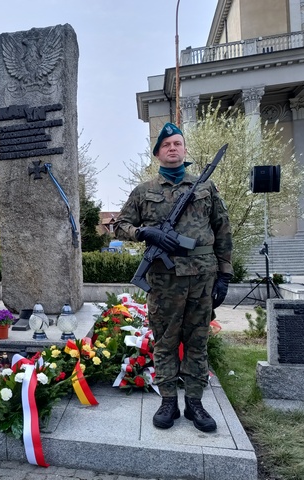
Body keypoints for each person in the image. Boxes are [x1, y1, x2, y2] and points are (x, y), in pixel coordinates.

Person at [112, 122, 233, 433]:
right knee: (165, 341)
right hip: (164, 281)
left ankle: (195, 402)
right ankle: (168, 401)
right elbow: (120, 225)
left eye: (177, 143)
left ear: (185, 149)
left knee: (197, 341)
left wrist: (224, 274)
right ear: (158, 154)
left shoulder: (206, 188)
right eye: (166, 145)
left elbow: (222, 230)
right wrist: (144, 233)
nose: (172, 148)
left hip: (202, 278)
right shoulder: (144, 191)